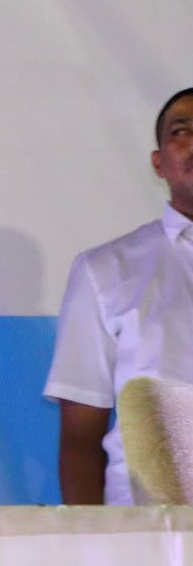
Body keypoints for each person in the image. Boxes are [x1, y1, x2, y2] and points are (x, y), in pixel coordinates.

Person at [45, 86, 193, 503]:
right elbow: (79, 436)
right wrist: (91, 541)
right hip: (148, 526)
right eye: (182, 130)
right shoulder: (106, 270)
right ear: (159, 163)